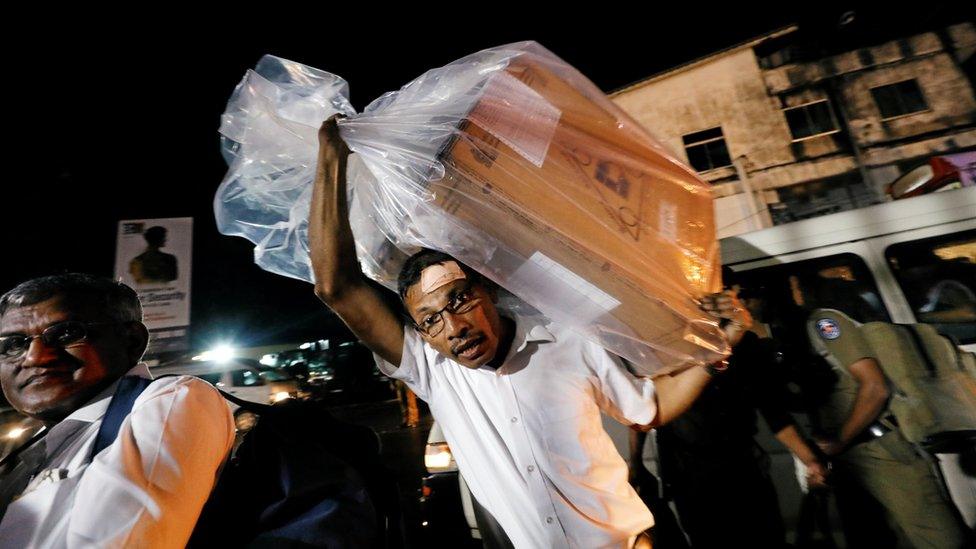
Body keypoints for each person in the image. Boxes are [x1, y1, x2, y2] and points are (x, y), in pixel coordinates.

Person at [308, 115, 750, 548]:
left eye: (459, 300)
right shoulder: (434, 372)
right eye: (432, 320)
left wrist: (721, 345)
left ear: (489, 291)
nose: (454, 327)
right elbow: (336, 287)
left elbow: (648, 408)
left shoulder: (568, 340)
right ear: (423, 335)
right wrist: (331, 154)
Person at [0, 274, 234, 547]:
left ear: (132, 340)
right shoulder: (34, 443)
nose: (35, 357)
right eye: (14, 344)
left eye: (66, 333)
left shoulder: (171, 400)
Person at [647, 280, 827, 548]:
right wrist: (637, 462)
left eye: (732, 296)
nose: (729, 301)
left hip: (743, 468)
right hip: (692, 473)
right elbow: (645, 408)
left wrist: (810, 459)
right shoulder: (667, 343)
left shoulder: (747, 345)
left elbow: (772, 409)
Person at [804, 302, 970, 548]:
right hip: (856, 455)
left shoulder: (824, 321)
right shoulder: (796, 335)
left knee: (936, 537)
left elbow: (876, 388)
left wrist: (838, 441)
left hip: (881, 449)